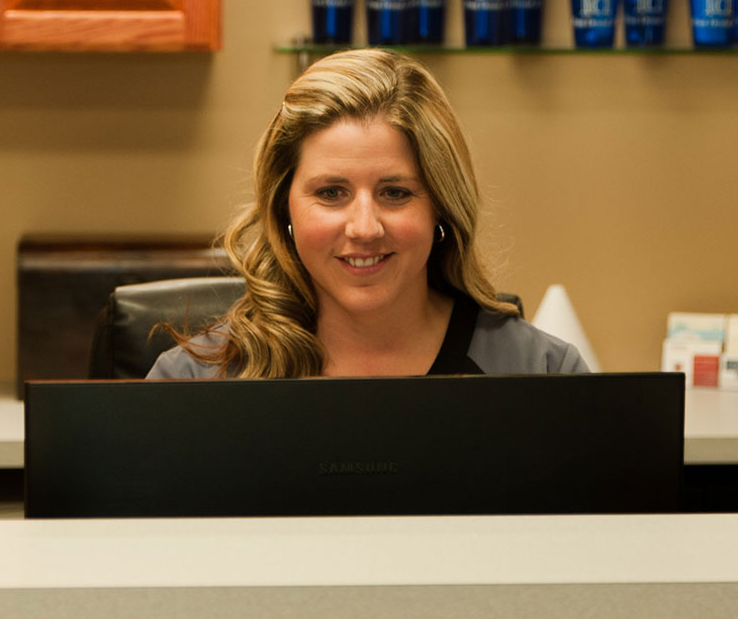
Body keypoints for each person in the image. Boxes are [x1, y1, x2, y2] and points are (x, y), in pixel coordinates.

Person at [147, 49, 587, 379]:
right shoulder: (193, 382)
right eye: (331, 192)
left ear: (441, 205)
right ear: (285, 207)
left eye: (395, 193)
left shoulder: (544, 373)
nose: (364, 227)